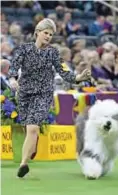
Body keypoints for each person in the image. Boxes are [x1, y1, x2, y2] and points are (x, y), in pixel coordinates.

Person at [9, 18, 91, 178]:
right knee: (30, 129)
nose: (48, 36)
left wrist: (78, 78)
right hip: (25, 94)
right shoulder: (23, 49)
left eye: (51, 34)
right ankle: (32, 146)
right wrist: (12, 79)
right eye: (46, 33)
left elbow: (64, 72)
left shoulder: (53, 52)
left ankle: (23, 164)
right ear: (37, 32)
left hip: (43, 94)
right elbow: (13, 68)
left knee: (32, 128)